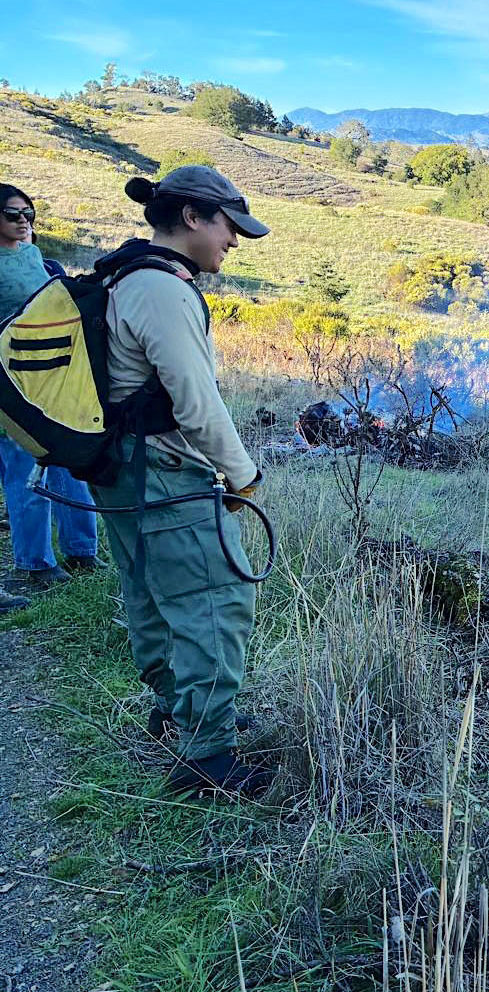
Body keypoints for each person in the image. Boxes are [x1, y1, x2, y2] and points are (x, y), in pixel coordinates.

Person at [87, 166, 271, 796]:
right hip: (164, 471)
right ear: (193, 217)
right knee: (216, 601)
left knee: (151, 592)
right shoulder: (163, 289)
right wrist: (242, 474)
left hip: (126, 470)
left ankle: (179, 708)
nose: (234, 241)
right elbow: (196, 402)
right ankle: (206, 759)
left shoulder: (123, 274)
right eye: (229, 226)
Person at [0, 184, 98, 600]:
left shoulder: (33, 253)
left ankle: (82, 552)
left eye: (29, 212)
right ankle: (35, 565)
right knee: (23, 470)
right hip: (11, 382)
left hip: (56, 378)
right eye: (12, 214)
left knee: (69, 464)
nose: (24, 220)